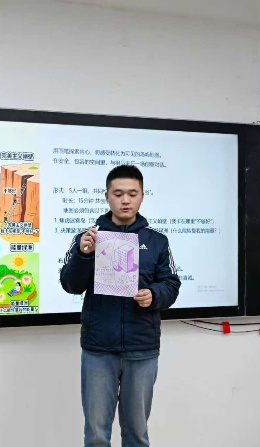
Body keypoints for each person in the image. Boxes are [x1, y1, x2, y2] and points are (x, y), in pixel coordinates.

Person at [60, 164, 181, 447]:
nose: (125, 200)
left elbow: (171, 284)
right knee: (96, 435)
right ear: (107, 196)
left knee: (137, 434)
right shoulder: (88, 238)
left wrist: (154, 294)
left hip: (142, 349)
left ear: (142, 196)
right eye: (118, 194)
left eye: (132, 193)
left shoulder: (157, 241)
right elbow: (70, 284)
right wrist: (84, 255)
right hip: (98, 350)